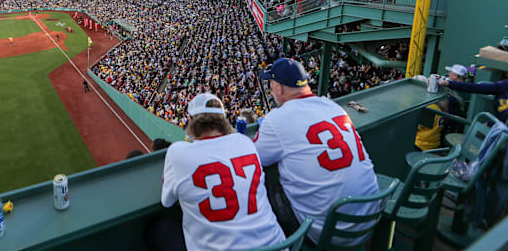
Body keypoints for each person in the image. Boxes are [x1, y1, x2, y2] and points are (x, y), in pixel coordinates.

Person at [254, 58, 379, 243]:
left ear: (279, 88)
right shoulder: (332, 106)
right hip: (369, 220)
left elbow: (254, 157)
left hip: (331, 234)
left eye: (271, 84)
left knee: (268, 191)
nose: (271, 89)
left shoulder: (276, 119)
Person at [161, 93, 285, 251]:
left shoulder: (177, 151)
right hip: (277, 246)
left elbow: (167, 201)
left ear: (191, 121)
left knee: (159, 229)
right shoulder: (245, 142)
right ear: (223, 121)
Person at [439, 70, 508, 123]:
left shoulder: (460, 91)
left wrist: (490, 124)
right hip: (496, 124)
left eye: (451, 73)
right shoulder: (504, 85)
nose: (449, 74)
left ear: (456, 76)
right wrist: (448, 83)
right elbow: (475, 84)